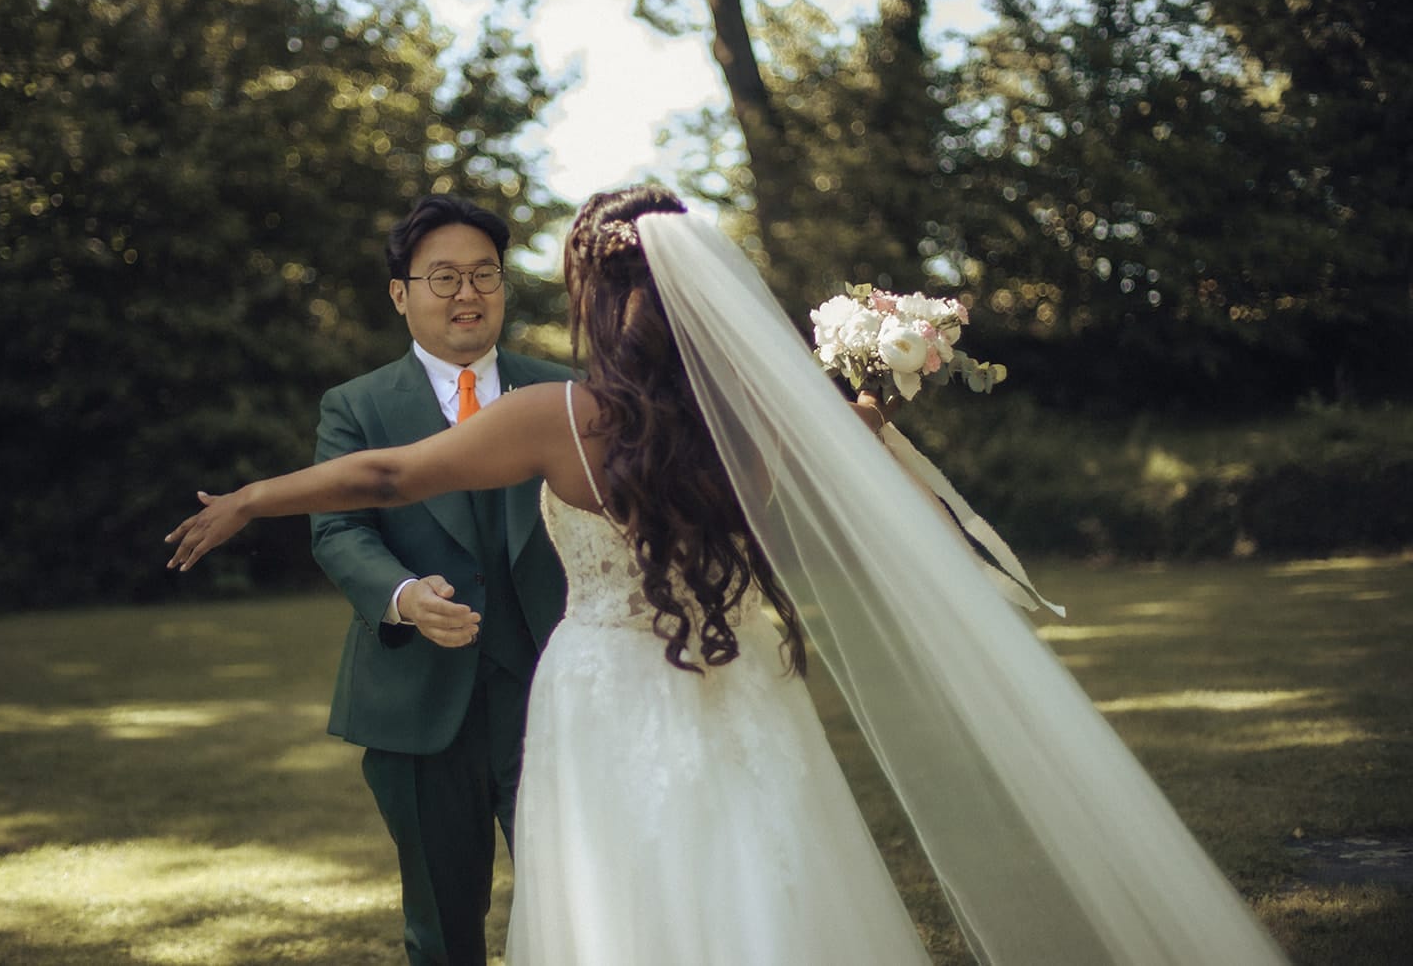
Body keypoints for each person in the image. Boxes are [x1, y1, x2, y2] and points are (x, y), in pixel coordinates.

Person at [168, 185, 1289, 964]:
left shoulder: (558, 414)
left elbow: (381, 477)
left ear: (593, 296)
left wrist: (253, 497)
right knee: (767, 872)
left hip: (603, 691)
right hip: (744, 677)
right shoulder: (769, 419)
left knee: (623, 899)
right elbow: (910, 532)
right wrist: (872, 419)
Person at [308, 194, 573, 966]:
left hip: (555, 692)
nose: (468, 293)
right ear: (402, 293)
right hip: (419, 706)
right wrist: (402, 595)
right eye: (445, 276)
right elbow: (339, 527)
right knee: (443, 930)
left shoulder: (562, 391)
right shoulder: (355, 406)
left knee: (582, 907)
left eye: (485, 274)